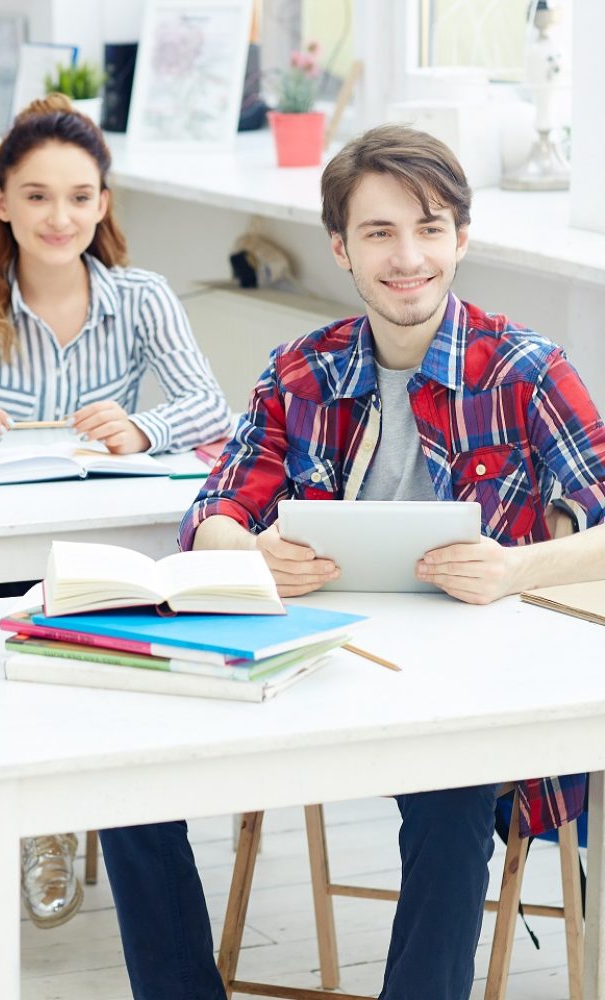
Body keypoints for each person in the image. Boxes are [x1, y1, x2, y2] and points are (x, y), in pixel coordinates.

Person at [98, 124, 605, 1000]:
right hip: (308, 668)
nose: (409, 257)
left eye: (431, 228)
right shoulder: (302, 371)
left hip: (460, 691)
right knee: (118, 774)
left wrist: (515, 571)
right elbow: (209, 517)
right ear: (340, 247)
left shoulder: (525, 371)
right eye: (379, 233)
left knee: (453, 806)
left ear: (462, 238)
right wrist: (249, 550)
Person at [0, 94, 232, 968]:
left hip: (91, 544)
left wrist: (141, 426)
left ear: (104, 203)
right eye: (36, 195)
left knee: (96, 628)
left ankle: (46, 822)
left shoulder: (142, 297)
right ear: (0, 200)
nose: (59, 216)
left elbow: (209, 404)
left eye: (80, 196)